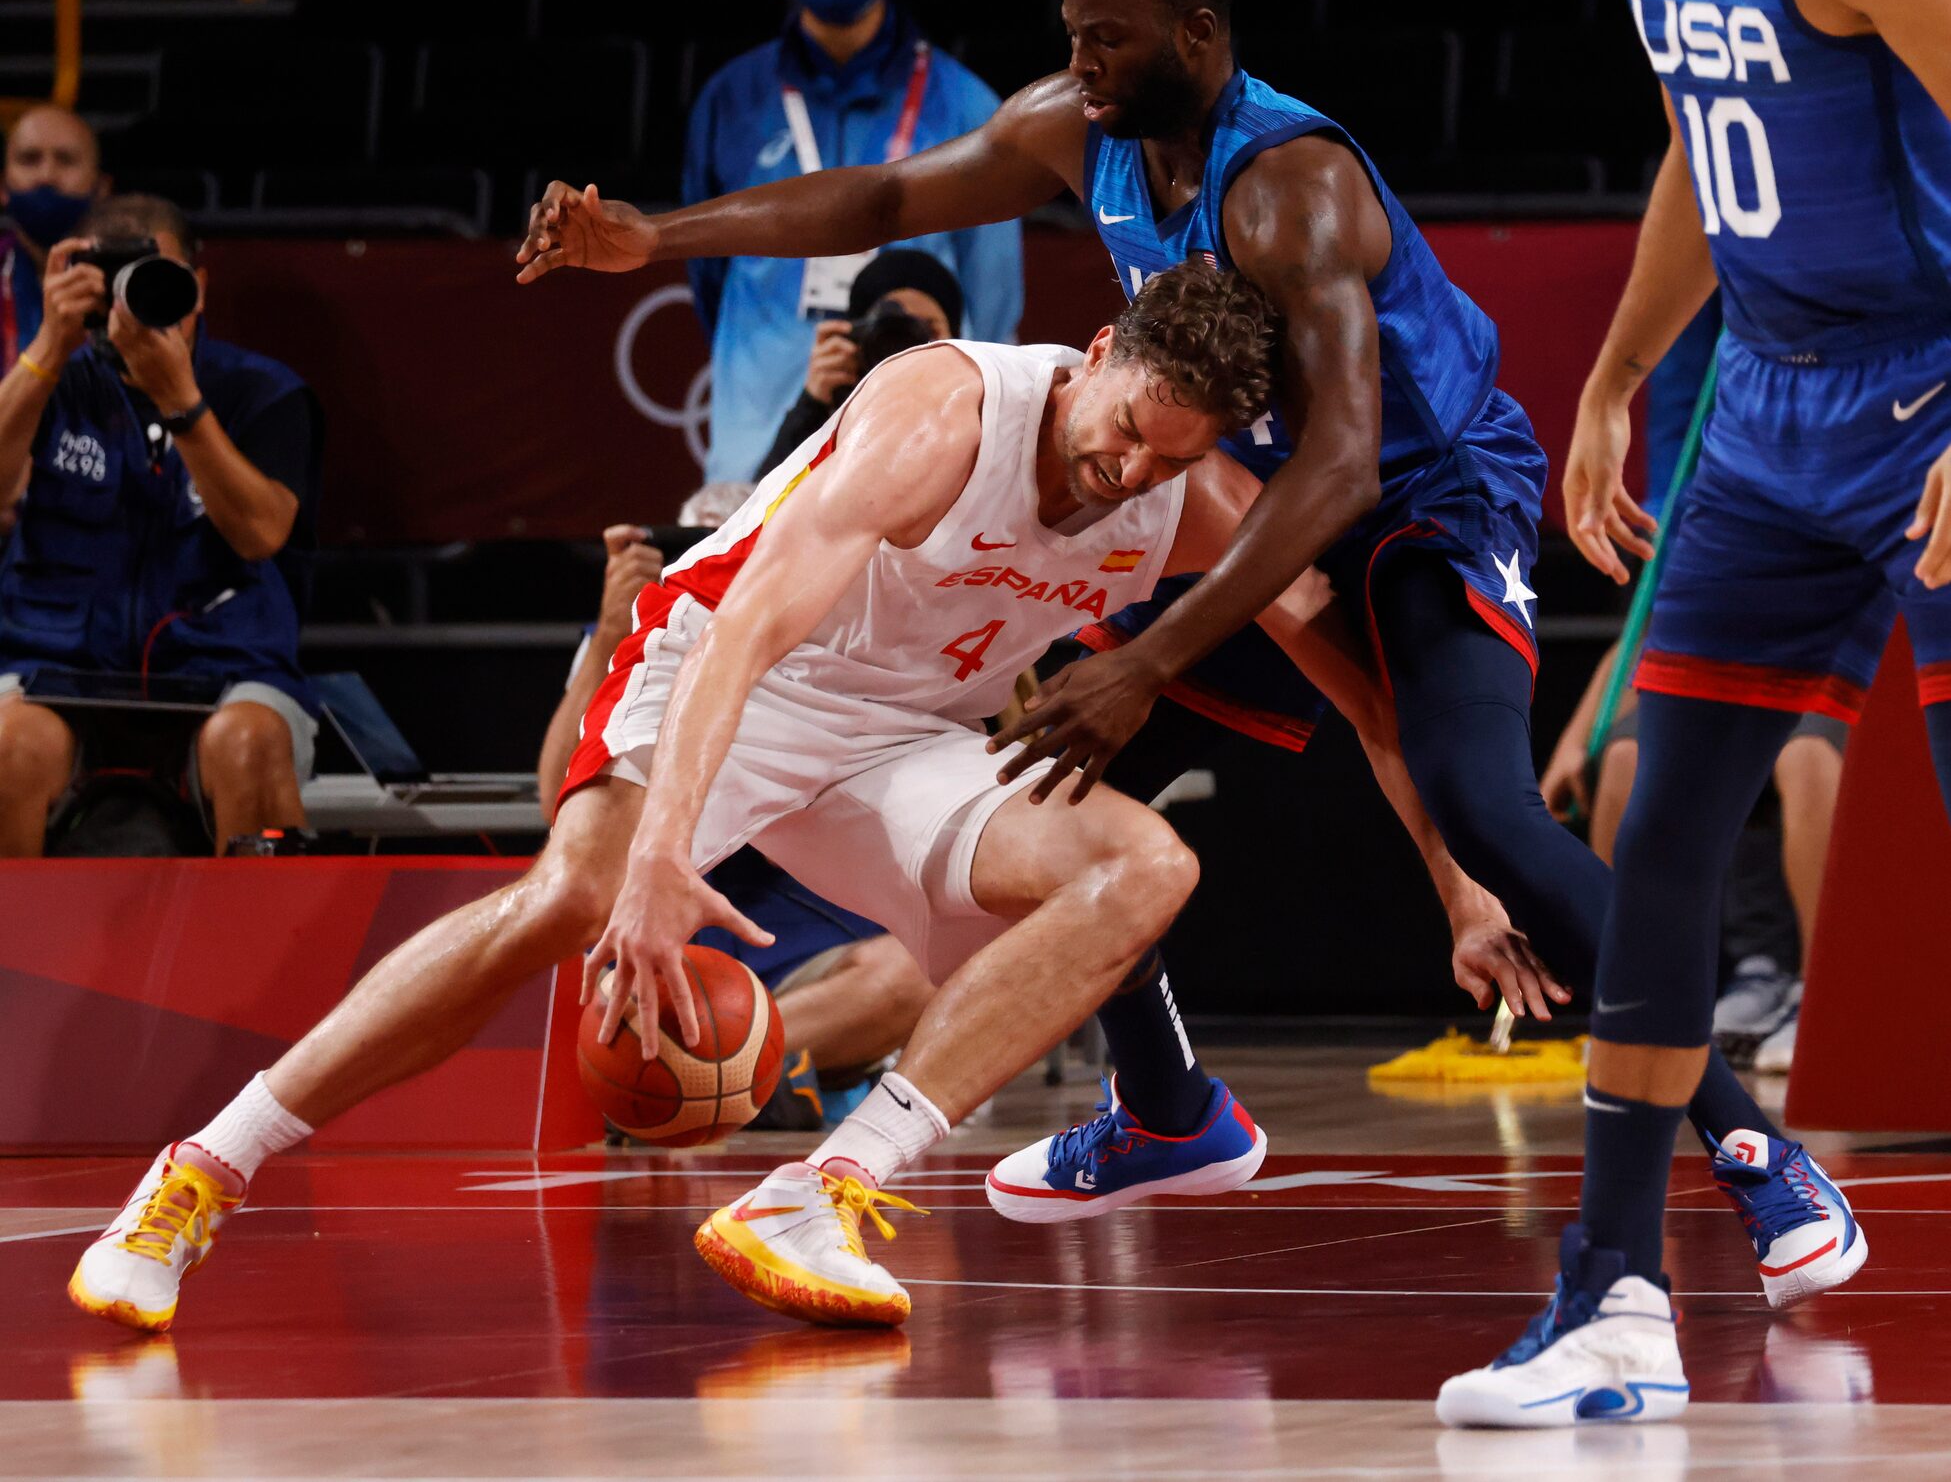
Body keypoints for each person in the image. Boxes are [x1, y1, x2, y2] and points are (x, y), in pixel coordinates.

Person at [518, 0, 1854, 1268]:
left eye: (1108, 36)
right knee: (1047, 779)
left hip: (1423, 496)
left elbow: (1338, 467)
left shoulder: (1289, 183)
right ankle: (1165, 1114)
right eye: (1069, 34)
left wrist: (1157, 668)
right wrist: (655, 235)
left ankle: (1756, 1147)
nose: (1081, 60)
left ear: (1197, 32)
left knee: (1483, 808)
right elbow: (882, 198)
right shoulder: (1081, 129)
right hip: (1234, 491)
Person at [69, 264, 1516, 1332]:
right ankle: (202, 1168)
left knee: (1143, 865)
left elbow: (1368, 701)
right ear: (1091, 354)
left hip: (900, 730)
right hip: (720, 659)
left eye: (1168, 454)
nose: (1125, 467)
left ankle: (818, 1190)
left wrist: (1459, 886)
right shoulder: (945, 412)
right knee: (569, 894)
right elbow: (751, 627)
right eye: (1129, 423)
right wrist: (646, 873)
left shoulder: (1182, 499)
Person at [1437, 0, 1951, 1425]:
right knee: (1660, 824)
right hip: (1766, 409)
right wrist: (1616, 374)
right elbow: (1691, 145)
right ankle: (1614, 1296)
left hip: (1930, 391)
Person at [537, 522, 932, 1127]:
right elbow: (554, 801)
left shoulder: (833, 631)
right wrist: (613, 630)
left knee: (918, 978)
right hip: (649, 917)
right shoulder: (649, 622)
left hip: (780, 935)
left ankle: (701, 1073)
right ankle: (752, 1080)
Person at [1538, 301, 1842, 1069]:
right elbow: (1655, 625)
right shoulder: (1720, 470)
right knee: (1627, 760)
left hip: (1843, 662)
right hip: (1740, 661)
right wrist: (1580, 736)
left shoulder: (1860, 433)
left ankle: (1821, 992)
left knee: (1802, 757)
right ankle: (1637, 997)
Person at [684, 0, 1023, 482]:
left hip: (920, 437)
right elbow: (709, 276)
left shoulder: (969, 105)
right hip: (756, 432)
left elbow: (992, 299)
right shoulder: (731, 102)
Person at [0, 197, 321, 858]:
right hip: (52, 663)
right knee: (8, 751)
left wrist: (183, 404)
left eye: (154, 274)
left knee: (253, 746)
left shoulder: (263, 393)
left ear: (198, 287)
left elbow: (261, 534)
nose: (130, 296)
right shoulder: (49, 380)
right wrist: (44, 351)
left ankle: (264, 958)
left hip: (224, 664)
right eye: (107, 276)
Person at [757, 244, 964, 476]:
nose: (908, 350)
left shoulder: (978, 418)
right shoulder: (837, 419)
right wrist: (812, 404)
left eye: (928, 331)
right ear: (859, 339)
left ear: (957, 341)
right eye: (893, 330)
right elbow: (765, 505)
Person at [1, 104, 109, 381]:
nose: (46, 175)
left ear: (102, 187)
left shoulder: (127, 280)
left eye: (66, 160)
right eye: (29, 159)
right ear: (2, 186)